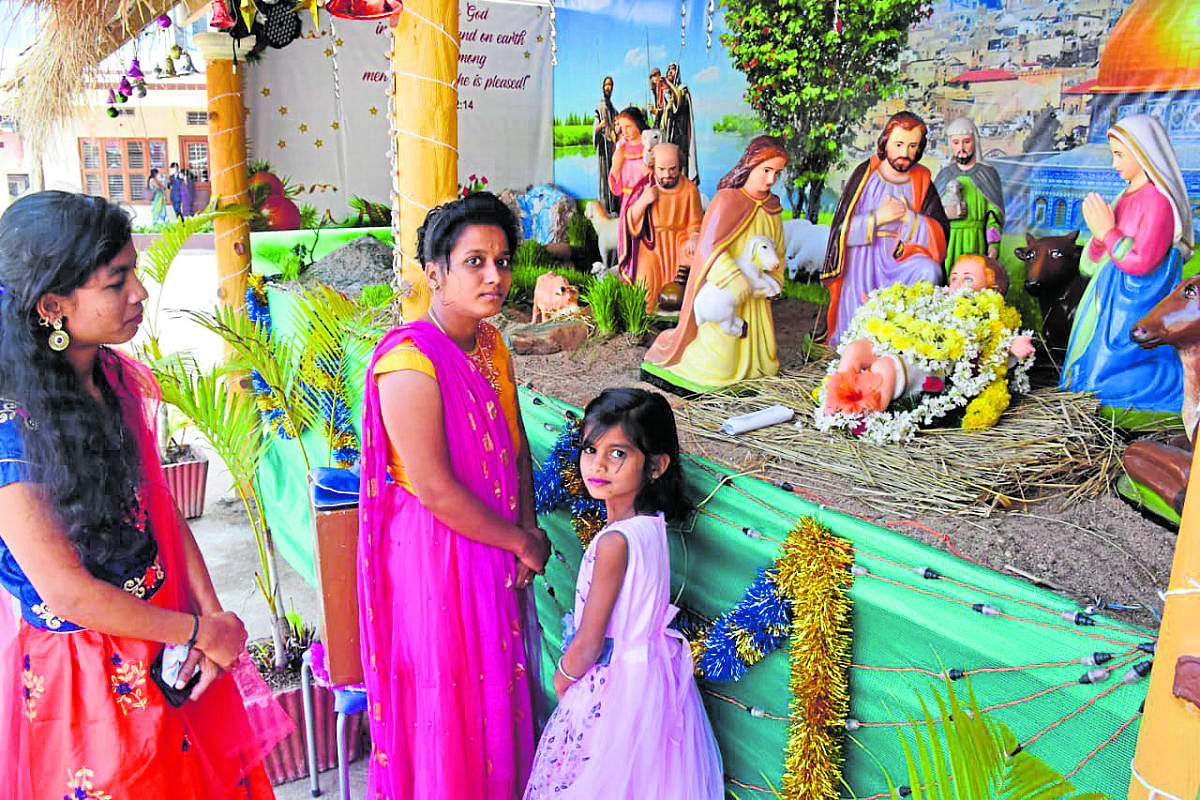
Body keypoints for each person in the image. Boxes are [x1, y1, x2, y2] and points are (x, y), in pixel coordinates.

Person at [0, 191, 285, 798]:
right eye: (116, 280)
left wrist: (211, 619)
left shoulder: (110, 375)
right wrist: (191, 631)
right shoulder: (9, 432)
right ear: (54, 305)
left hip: (170, 645)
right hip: (86, 683)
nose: (140, 292)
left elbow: (161, 507)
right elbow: (69, 594)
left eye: (135, 270)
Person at [358, 191, 550, 800]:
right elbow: (436, 489)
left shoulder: (493, 345)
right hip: (436, 556)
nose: (494, 276)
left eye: (503, 260)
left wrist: (524, 525)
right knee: (450, 697)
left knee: (499, 687)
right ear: (434, 272)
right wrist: (520, 539)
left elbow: (516, 450)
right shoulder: (409, 363)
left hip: (494, 541)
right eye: (475, 261)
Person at [523, 388, 723, 800]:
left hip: (614, 685)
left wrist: (564, 678)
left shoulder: (614, 543)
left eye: (618, 454)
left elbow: (590, 640)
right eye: (591, 449)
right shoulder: (652, 527)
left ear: (655, 466)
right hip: (651, 681)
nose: (598, 465)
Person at [1061, 113, 1192, 412]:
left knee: (1101, 380)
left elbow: (1143, 263)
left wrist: (1108, 231)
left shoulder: (1157, 203)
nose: (1114, 164)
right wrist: (1098, 236)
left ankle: (1175, 383)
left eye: (1120, 155)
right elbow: (1089, 267)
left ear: (1144, 153)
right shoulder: (1124, 197)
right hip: (1107, 302)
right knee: (1084, 375)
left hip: (1134, 306)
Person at [643, 135, 787, 391]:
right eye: (766, 170)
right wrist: (732, 276)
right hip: (725, 291)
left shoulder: (771, 207)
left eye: (777, 173)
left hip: (755, 298)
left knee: (766, 360)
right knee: (720, 365)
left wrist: (775, 279)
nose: (771, 180)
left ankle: (754, 368)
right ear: (750, 165)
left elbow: (777, 248)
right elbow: (710, 248)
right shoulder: (728, 201)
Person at [820, 111, 950, 347]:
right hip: (864, 258)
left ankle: (911, 342)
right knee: (860, 302)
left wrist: (909, 218)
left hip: (902, 256)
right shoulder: (866, 174)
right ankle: (859, 345)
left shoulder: (921, 179)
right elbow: (842, 230)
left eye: (912, 146)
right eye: (899, 144)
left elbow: (939, 233)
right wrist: (878, 218)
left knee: (930, 271)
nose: (905, 153)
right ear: (885, 142)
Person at [624, 142, 704, 313]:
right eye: (661, 169)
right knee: (645, 289)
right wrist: (643, 201)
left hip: (679, 244)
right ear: (653, 167)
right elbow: (629, 222)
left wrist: (694, 236)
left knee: (692, 280)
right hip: (651, 246)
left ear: (680, 166)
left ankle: (684, 322)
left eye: (672, 169)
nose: (667, 174)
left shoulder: (690, 190)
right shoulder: (644, 188)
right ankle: (648, 325)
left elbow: (695, 222)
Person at [933, 117, 1005, 269]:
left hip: (977, 242)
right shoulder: (944, 174)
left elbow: (994, 217)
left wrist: (994, 247)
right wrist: (945, 213)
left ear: (975, 142)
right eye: (956, 142)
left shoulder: (987, 174)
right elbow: (930, 213)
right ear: (950, 144)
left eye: (966, 141)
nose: (961, 147)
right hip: (949, 243)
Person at [608, 106, 651, 279]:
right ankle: (630, 273)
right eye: (621, 127)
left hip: (648, 198)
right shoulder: (621, 149)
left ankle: (648, 273)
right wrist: (615, 168)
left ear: (638, 124)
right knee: (628, 238)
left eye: (628, 126)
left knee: (648, 237)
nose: (624, 131)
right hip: (629, 201)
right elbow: (615, 187)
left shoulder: (649, 145)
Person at [658, 63, 698, 184]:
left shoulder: (682, 89)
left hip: (682, 136)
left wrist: (669, 85)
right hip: (672, 136)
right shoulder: (668, 95)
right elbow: (664, 121)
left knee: (682, 166)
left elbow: (679, 102)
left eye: (673, 70)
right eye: (669, 70)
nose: (670, 72)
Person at [593, 76, 620, 215]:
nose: (608, 87)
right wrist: (601, 126)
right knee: (604, 179)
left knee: (614, 178)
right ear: (603, 88)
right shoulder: (600, 107)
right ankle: (605, 210)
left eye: (610, 85)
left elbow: (618, 126)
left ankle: (615, 209)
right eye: (606, 85)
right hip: (604, 150)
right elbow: (595, 129)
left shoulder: (614, 109)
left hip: (613, 150)